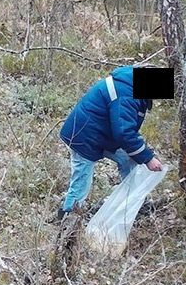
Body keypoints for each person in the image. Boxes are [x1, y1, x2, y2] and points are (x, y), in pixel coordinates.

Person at [56, 65, 163, 219]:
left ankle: (133, 202)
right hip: (83, 135)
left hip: (103, 134)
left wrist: (143, 153)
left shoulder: (130, 84)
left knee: (129, 159)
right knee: (82, 180)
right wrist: (148, 158)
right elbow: (124, 132)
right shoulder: (126, 94)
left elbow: (124, 128)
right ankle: (68, 217)